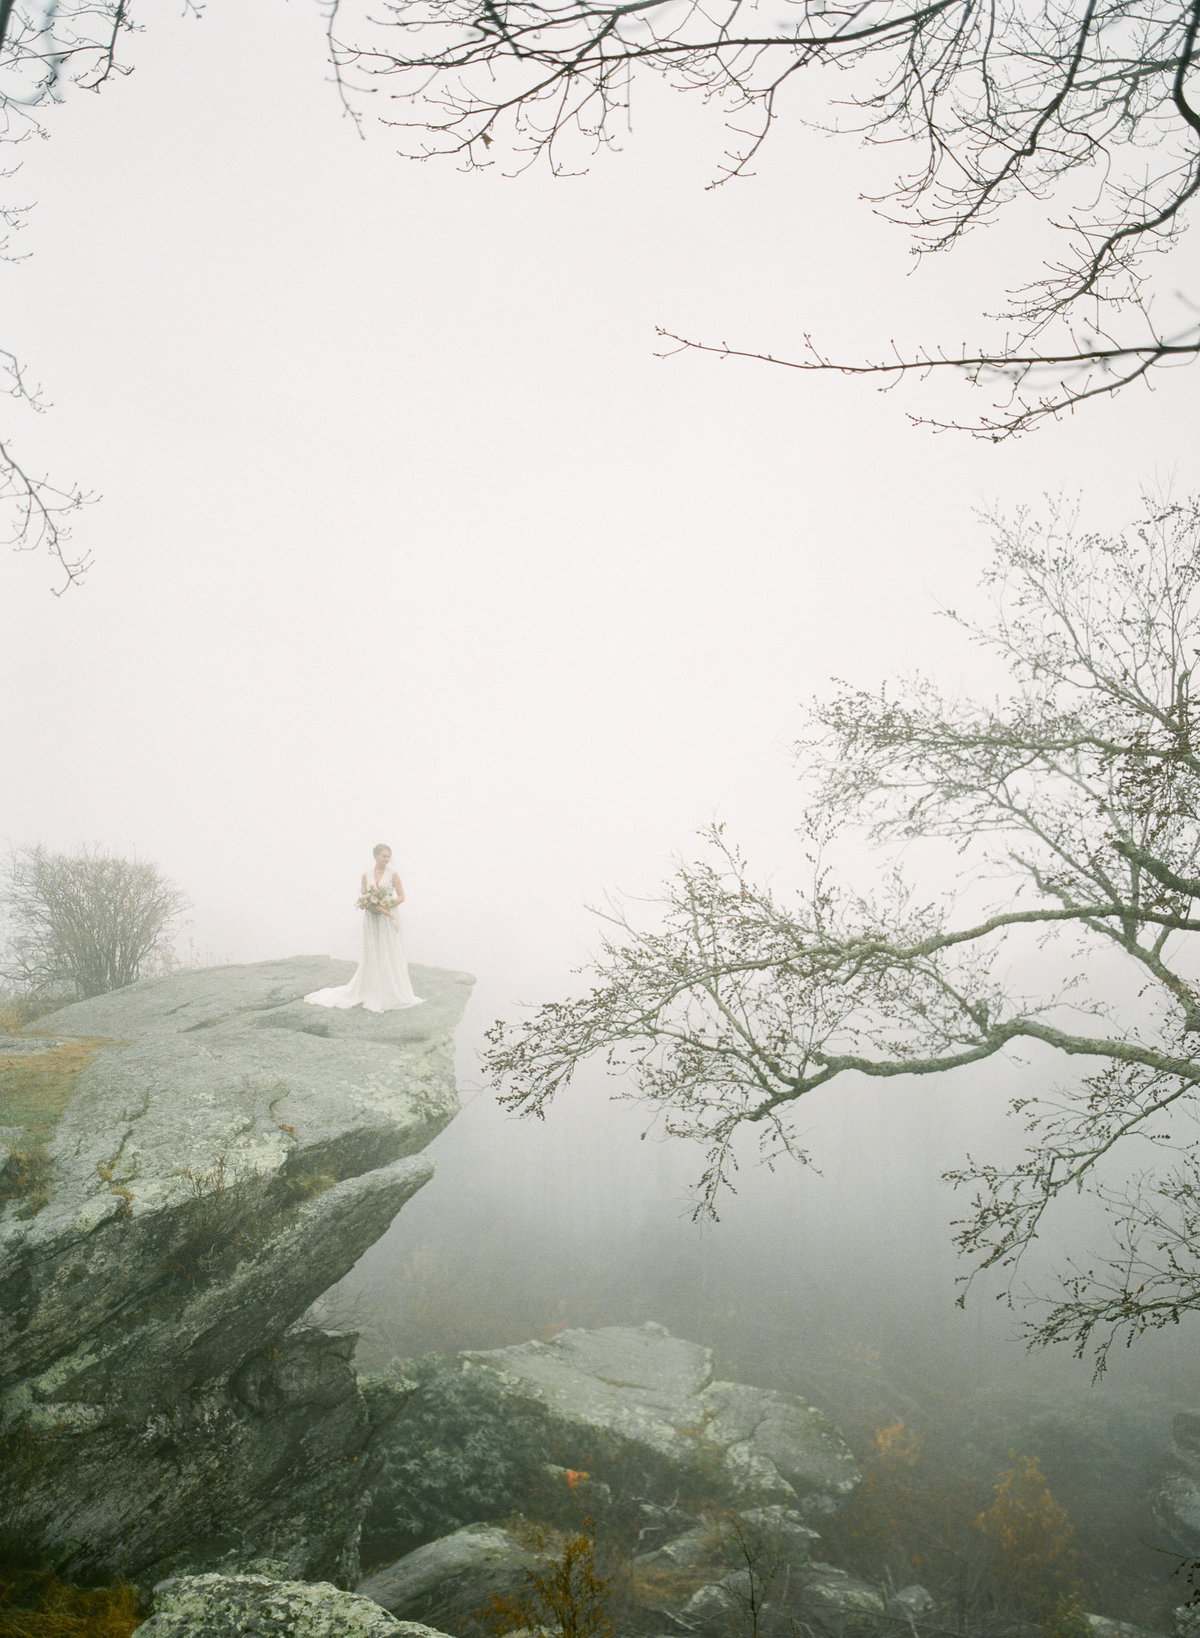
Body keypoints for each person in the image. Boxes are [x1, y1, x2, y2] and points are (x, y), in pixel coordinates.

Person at [304, 843, 423, 1012]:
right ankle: (371, 988)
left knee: (388, 950)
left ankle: (389, 990)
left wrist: (387, 904)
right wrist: (368, 904)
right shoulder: (366, 875)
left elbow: (402, 896)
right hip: (371, 919)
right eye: (384, 856)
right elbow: (363, 896)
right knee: (373, 950)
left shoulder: (393, 874)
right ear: (375, 856)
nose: (387, 859)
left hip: (386, 918)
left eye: (389, 856)